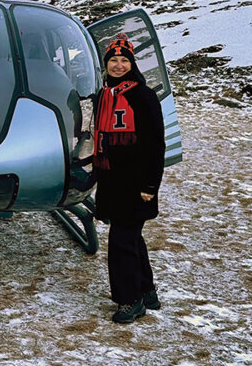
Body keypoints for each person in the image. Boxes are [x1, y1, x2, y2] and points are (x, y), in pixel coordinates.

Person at [93, 33, 166, 324]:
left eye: (124, 60)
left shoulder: (142, 95)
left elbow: (155, 144)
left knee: (121, 240)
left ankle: (130, 300)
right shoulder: (105, 95)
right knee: (131, 238)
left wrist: (151, 185)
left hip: (136, 183)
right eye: (113, 60)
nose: (118, 65)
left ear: (133, 64)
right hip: (112, 181)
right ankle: (147, 291)